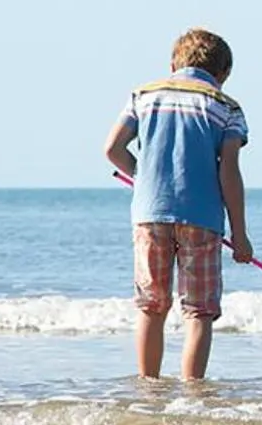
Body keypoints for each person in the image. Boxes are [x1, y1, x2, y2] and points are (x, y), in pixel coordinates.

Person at [103, 28, 254, 379]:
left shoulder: (143, 95)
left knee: (152, 306)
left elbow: (112, 150)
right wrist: (241, 235)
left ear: (174, 63)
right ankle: (192, 392)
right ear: (223, 74)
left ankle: (148, 387)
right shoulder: (226, 106)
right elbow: (229, 172)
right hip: (202, 218)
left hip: (149, 213)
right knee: (199, 312)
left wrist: (143, 177)